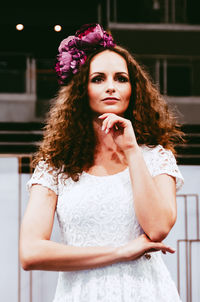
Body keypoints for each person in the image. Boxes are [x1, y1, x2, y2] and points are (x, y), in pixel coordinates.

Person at [19, 23, 184, 301]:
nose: (111, 87)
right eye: (98, 79)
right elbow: (30, 253)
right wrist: (120, 252)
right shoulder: (54, 166)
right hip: (81, 294)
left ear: (134, 89)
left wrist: (132, 150)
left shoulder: (156, 157)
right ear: (82, 89)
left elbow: (157, 229)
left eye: (121, 78)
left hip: (146, 292)